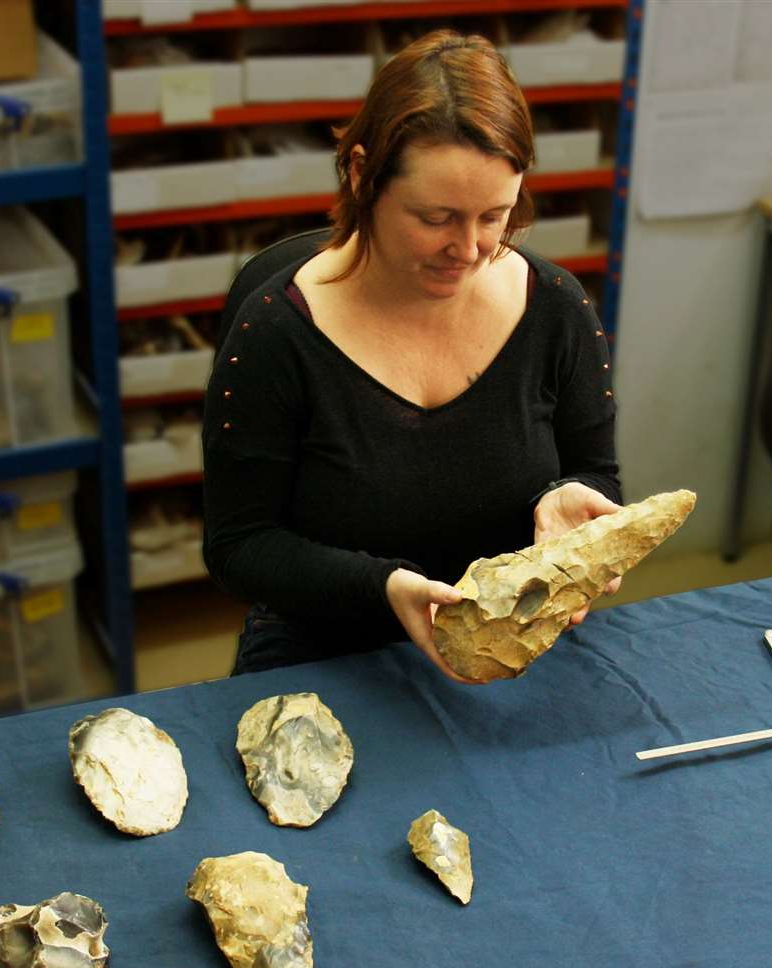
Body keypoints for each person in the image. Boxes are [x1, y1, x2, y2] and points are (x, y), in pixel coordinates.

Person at [203, 29, 622, 683]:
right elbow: (239, 547)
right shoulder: (277, 333)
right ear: (360, 173)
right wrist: (385, 587)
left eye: (495, 215)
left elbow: (596, 470)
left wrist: (573, 499)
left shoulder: (556, 309)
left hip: (506, 641)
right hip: (329, 648)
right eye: (435, 218)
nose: (470, 248)